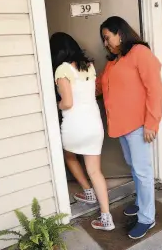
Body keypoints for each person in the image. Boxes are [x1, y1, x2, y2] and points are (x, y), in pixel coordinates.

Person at [97, 16, 162, 239]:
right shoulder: (113, 62)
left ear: (120, 33)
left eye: (107, 38)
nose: (106, 43)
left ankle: (147, 217)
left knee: (143, 172)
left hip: (138, 125)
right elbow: (102, 85)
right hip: (122, 126)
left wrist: (151, 123)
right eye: (103, 40)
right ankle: (140, 202)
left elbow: (155, 88)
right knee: (134, 167)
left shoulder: (139, 53)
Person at [50, 32, 115, 231]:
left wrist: (55, 104)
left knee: (69, 156)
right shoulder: (89, 65)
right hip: (94, 124)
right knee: (95, 171)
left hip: (75, 125)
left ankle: (88, 192)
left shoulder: (62, 69)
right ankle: (106, 218)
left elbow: (68, 103)